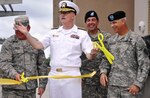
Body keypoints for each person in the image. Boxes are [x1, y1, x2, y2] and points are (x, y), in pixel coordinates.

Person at [14, 1, 98, 98]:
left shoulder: (81, 34)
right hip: (54, 75)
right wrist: (26, 34)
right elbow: (38, 45)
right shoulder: (52, 32)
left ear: (73, 15)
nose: (62, 15)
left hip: (72, 75)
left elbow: (89, 55)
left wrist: (93, 53)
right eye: (61, 12)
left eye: (66, 12)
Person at [99, 11, 150, 98]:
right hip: (113, 88)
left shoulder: (136, 40)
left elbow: (144, 64)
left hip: (130, 88)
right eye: (111, 23)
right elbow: (106, 59)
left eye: (114, 22)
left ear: (123, 21)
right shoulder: (111, 41)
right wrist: (103, 72)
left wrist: (138, 84)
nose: (112, 25)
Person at [0, 16, 49, 98]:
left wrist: (42, 85)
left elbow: (42, 66)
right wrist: (14, 74)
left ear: (28, 28)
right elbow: (4, 63)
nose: (18, 32)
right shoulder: (8, 43)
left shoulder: (36, 43)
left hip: (30, 89)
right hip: (11, 90)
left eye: (21, 30)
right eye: (16, 30)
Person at [80, 10, 111, 98]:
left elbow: (109, 57)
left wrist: (103, 72)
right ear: (85, 22)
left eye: (93, 20)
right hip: (86, 82)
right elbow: (76, 58)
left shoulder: (106, 37)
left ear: (98, 21)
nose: (91, 22)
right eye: (88, 20)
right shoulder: (82, 38)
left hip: (102, 80)